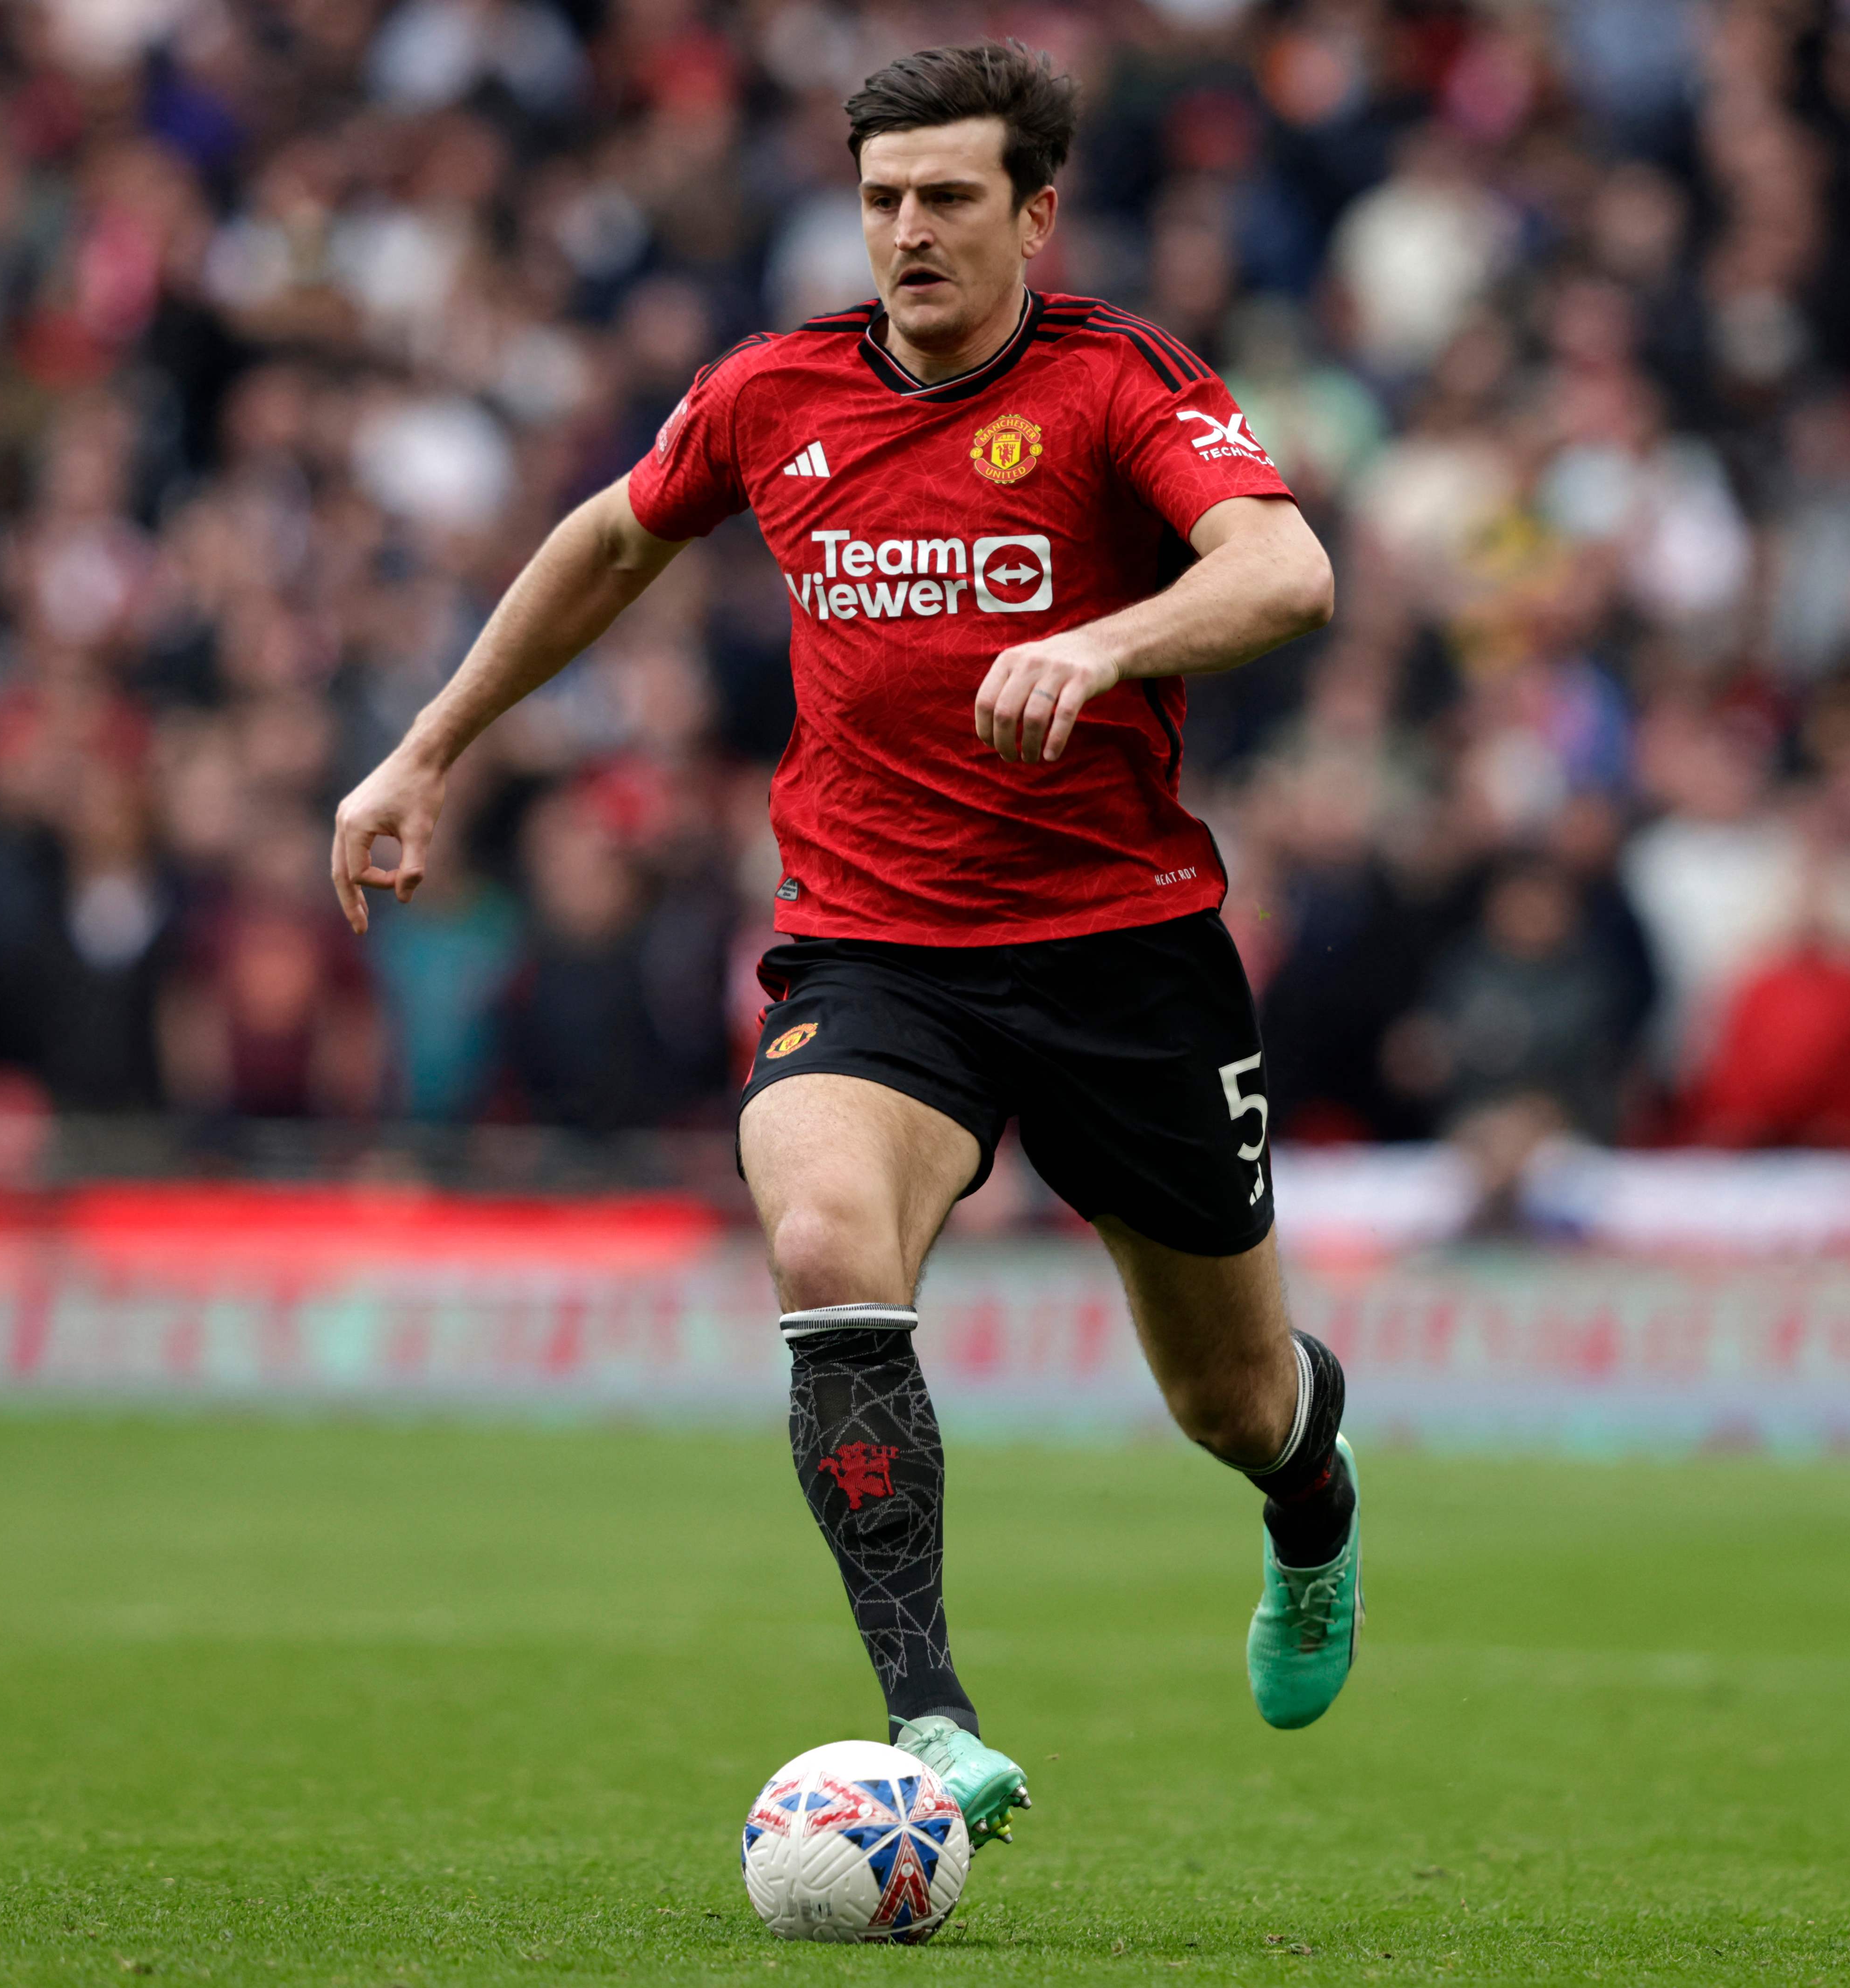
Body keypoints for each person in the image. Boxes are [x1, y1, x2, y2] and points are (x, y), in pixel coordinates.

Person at [328, 43, 1350, 1846]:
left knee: (1226, 1396)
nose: (907, 232)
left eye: (948, 197)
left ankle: (1309, 1493)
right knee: (816, 1233)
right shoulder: (773, 393)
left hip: (1126, 952)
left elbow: (1284, 573)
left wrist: (1109, 646)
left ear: (1034, 211)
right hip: (874, 949)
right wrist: (425, 751)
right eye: (881, 199)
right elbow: (608, 542)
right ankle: (926, 1720)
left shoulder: (1123, 385)